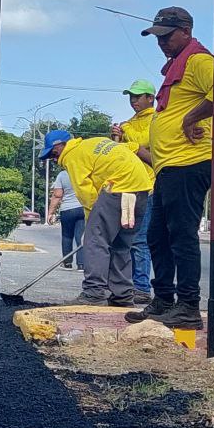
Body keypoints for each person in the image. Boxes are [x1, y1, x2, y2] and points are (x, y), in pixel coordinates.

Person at [125, 8, 214, 330]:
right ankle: (163, 299)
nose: (161, 42)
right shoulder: (178, 66)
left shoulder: (200, 61)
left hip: (190, 163)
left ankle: (189, 306)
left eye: (166, 35)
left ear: (186, 31)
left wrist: (191, 118)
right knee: (156, 236)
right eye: (157, 37)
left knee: (181, 236)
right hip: (168, 166)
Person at [40, 130, 153, 307]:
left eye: (52, 154)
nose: (53, 159)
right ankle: (122, 295)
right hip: (141, 189)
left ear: (59, 145)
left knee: (95, 242)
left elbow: (86, 194)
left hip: (117, 188)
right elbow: (132, 149)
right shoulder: (94, 143)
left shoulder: (73, 156)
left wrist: (92, 224)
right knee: (121, 244)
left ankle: (94, 293)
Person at [112, 79, 157, 301]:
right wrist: (118, 137)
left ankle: (141, 286)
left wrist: (132, 145)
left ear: (151, 98)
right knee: (126, 236)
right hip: (130, 186)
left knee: (140, 239)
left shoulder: (158, 121)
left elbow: (146, 149)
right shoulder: (127, 124)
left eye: (138, 97)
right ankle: (127, 283)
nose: (133, 101)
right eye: (131, 97)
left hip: (150, 187)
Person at [46, 169, 85, 270]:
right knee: (80, 237)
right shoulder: (84, 171)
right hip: (83, 208)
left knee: (67, 236)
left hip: (67, 209)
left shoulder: (62, 175)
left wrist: (50, 213)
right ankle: (81, 264)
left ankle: (67, 263)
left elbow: (57, 195)